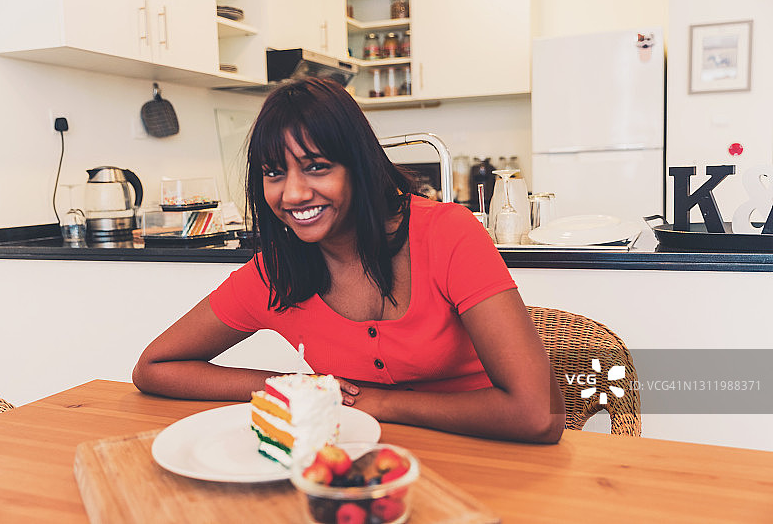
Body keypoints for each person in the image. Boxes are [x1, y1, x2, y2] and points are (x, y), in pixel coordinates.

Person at [133, 78, 564, 443]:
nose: (293, 194)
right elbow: (155, 367)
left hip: (495, 458)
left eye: (316, 167)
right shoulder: (275, 273)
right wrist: (293, 386)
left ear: (359, 167)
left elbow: (539, 415)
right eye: (274, 172)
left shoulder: (447, 233)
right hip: (361, 466)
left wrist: (382, 402)